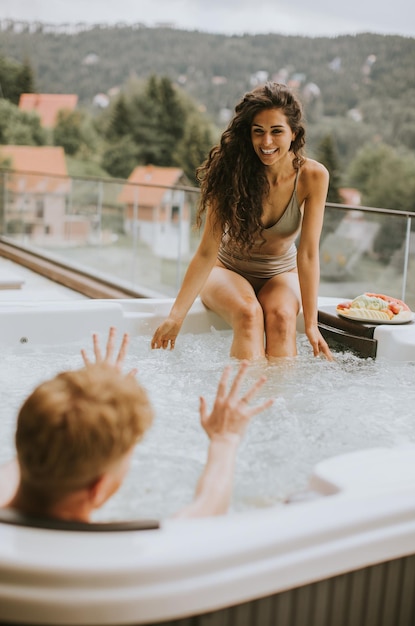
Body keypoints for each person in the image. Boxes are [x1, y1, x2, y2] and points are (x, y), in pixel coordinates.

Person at [0, 327, 273, 522]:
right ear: (99, 489)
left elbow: (36, 445)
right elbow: (207, 509)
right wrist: (224, 440)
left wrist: (98, 390)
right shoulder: (125, 558)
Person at [151, 82, 333, 361]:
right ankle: (243, 402)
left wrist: (311, 324)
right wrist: (176, 317)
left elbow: (308, 254)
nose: (267, 142)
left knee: (283, 317)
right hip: (228, 271)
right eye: (258, 132)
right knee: (249, 314)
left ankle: (280, 402)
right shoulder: (229, 172)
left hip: (281, 274)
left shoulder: (313, 176)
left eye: (276, 131)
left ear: (293, 134)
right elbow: (207, 251)